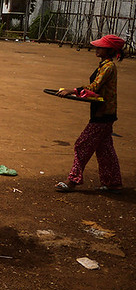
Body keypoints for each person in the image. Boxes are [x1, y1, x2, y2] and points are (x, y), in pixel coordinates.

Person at [55, 34, 125, 193]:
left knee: (82, 144)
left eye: (100, 47)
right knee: (105, 148)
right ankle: (113, 183)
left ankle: (72, 180)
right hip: (104, 112)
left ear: (108, 50)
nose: (97, 48)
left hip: (103, 114)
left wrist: (72, 91)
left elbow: (94, 87)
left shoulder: (108, 67)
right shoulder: (104, 64)